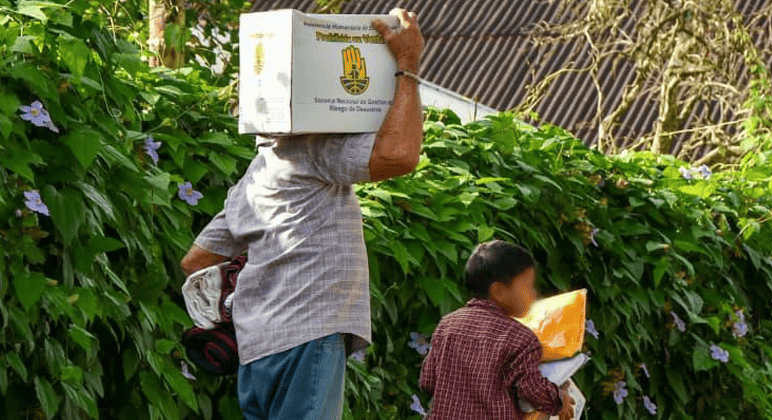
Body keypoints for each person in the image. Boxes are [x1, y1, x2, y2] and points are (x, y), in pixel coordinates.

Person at [178, 9, 425, 420]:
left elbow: (195, 262)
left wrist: (254, 281)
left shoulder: (253, 181)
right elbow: (399, 154)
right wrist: (408, 68)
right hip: (307, 334)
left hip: (257, 351)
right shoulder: (314, 151)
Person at [418, 240, 576, 420]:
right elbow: (531, 389)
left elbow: (428, 382)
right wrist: (558, 398)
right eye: (527, 285)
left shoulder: (447, 325)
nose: (533, 294)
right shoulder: (520, 338)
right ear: (499, 291)